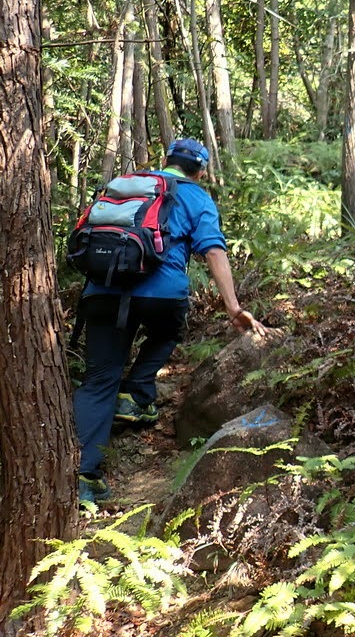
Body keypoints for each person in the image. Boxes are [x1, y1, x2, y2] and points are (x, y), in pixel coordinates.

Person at [74, 138, 264, 505]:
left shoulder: (128, 185)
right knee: (168, 330)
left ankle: (84, 479)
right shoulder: (196, 197)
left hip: (102, 291)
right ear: (201, 172)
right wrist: (233, 307)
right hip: (161, 296)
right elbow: (213, 250)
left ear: (165, 159)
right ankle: (136, 393)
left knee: (98, 381)